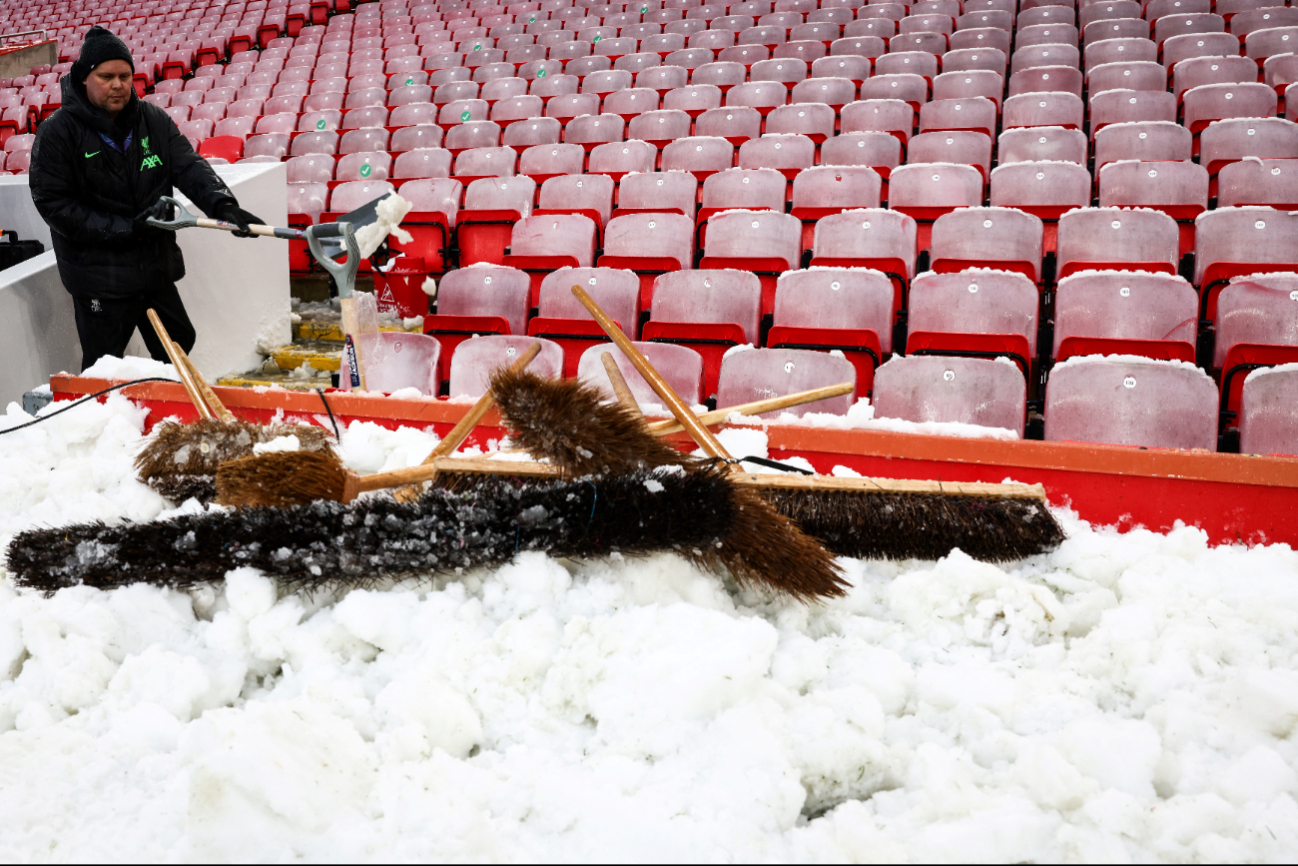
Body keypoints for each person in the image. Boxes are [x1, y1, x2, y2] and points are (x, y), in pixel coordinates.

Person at [29, 26, 265, 371]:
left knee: (178, 342)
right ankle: (106, 422)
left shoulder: (152, 120)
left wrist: (223, 205)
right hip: (100, 278)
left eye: (125, 75)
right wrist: (126, 227)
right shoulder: (57, 132)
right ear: (83, 79)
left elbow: (189, 166)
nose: (118, 84)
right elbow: (55, 205)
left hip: (153, 267)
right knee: (103, 366)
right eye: (106, 76)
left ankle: (162, 414)